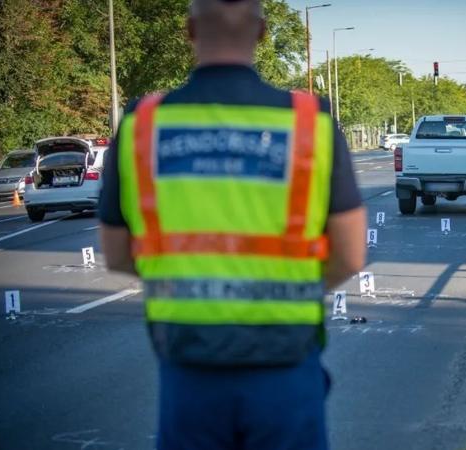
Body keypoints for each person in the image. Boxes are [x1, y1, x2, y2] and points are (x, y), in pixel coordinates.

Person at [97, 0, 367, 448]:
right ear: (262, 32)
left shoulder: (143, 124)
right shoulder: (309, 123)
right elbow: (350, 253)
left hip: (189, 364)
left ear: (189, 30)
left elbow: (117, 253)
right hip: (286, 358)